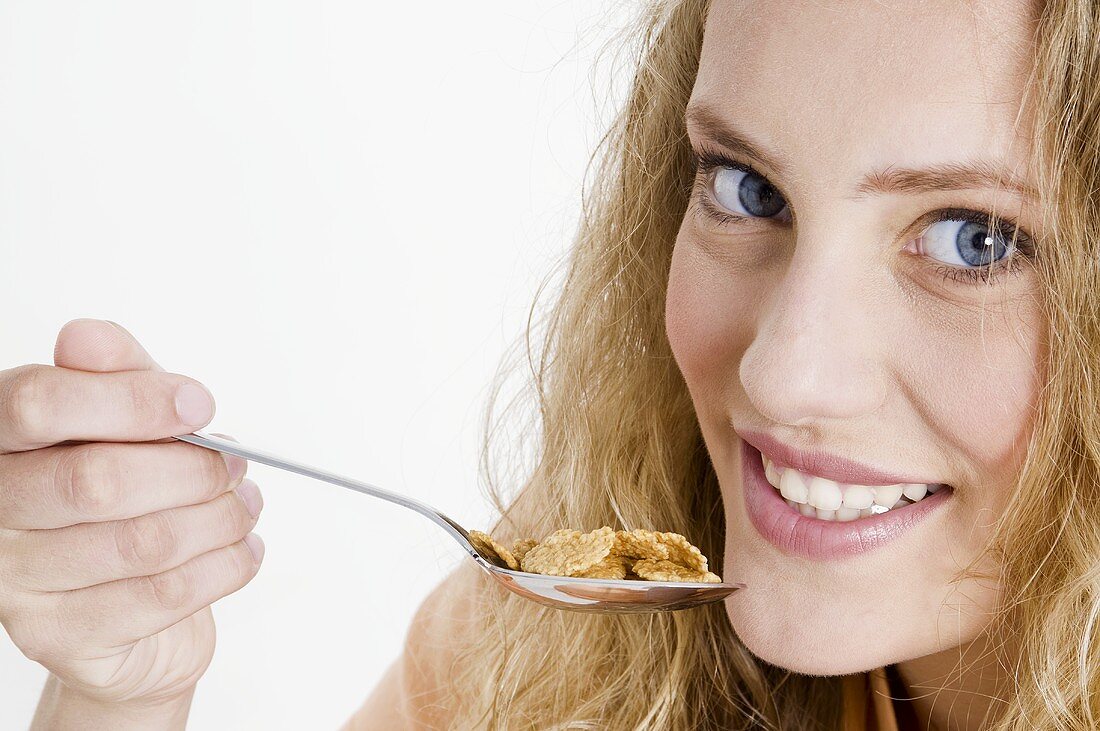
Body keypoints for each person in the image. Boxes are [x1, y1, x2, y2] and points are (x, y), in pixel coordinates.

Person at [3, 0, 1097, 728]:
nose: (781, 374)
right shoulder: (565, 633)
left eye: (974, 239)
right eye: (744, 188)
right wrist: (118, 696)